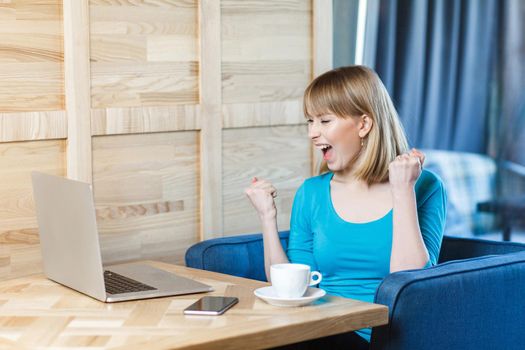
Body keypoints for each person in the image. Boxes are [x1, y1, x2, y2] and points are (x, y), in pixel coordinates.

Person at [245, 66, 447, 349]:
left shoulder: (424, 187)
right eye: (310, 121)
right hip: (319, 329)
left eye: (325, 121)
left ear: (364, 124)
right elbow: (295, 288)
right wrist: (267, 216)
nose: (313, 133)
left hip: (383, 335)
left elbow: (411, 283)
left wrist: (402, 191)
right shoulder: (312, 193)